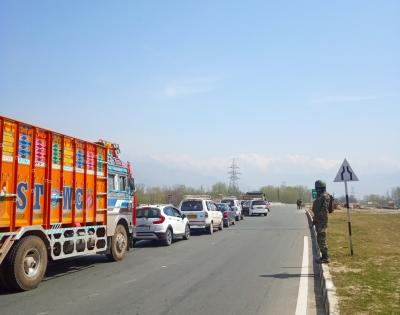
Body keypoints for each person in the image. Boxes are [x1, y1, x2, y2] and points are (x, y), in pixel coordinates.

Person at [312, 180, 331, 264]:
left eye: (317, 188)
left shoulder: (324, 197)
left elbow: (324, 211)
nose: (316, 190)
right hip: (320, 220)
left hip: (321, 221)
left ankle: (325, 257)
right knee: (320, 238)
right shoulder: (322, 196)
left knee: (321, 238)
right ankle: (324, 256)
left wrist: (317, 218)